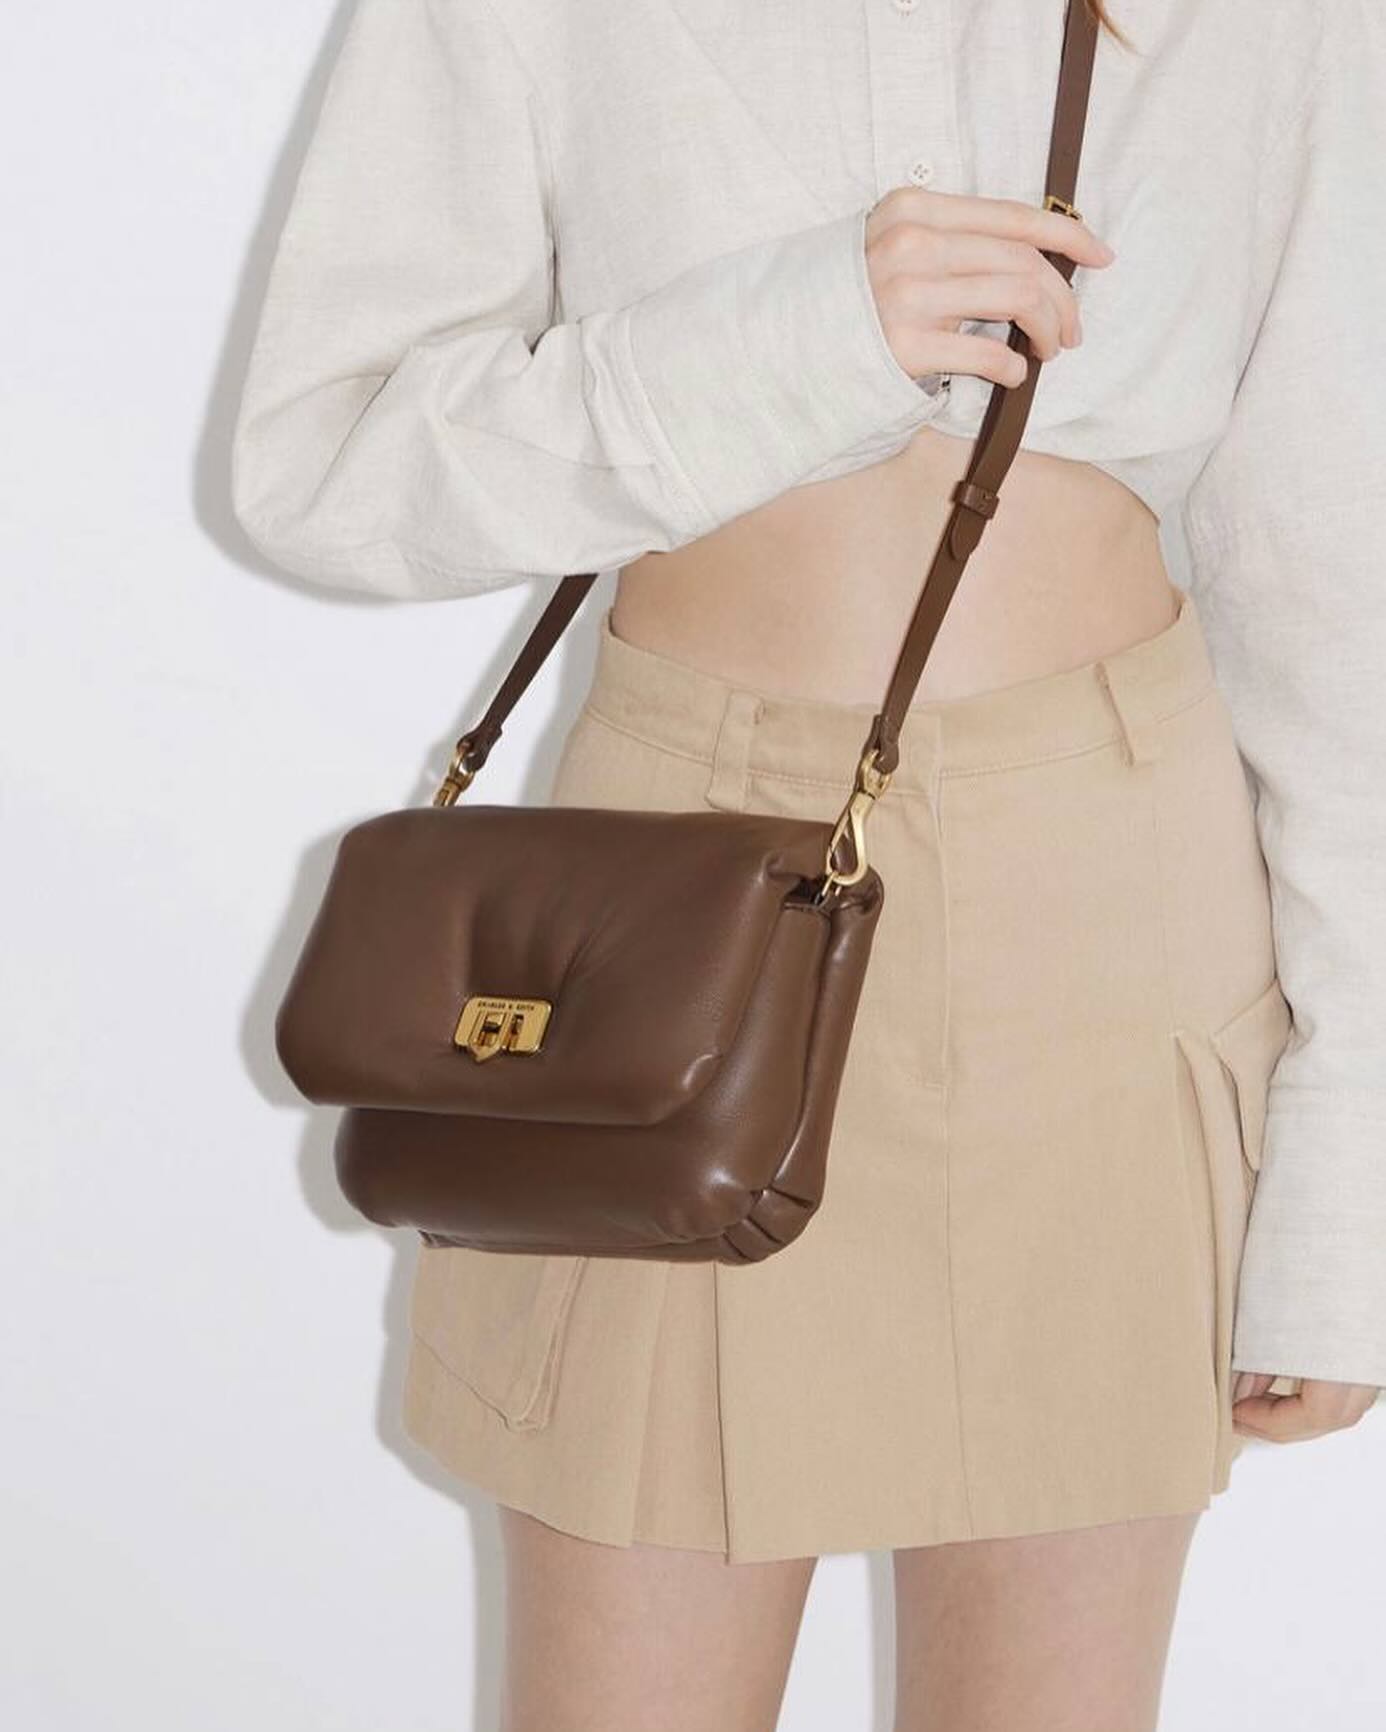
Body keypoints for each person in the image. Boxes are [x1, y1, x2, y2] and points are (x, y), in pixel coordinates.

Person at [230, 1, 1384, 1726]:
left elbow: (1339, 595)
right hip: (671, 930)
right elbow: (321, 466)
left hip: (1107, 915)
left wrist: (1348, 1200)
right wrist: (797, 335)